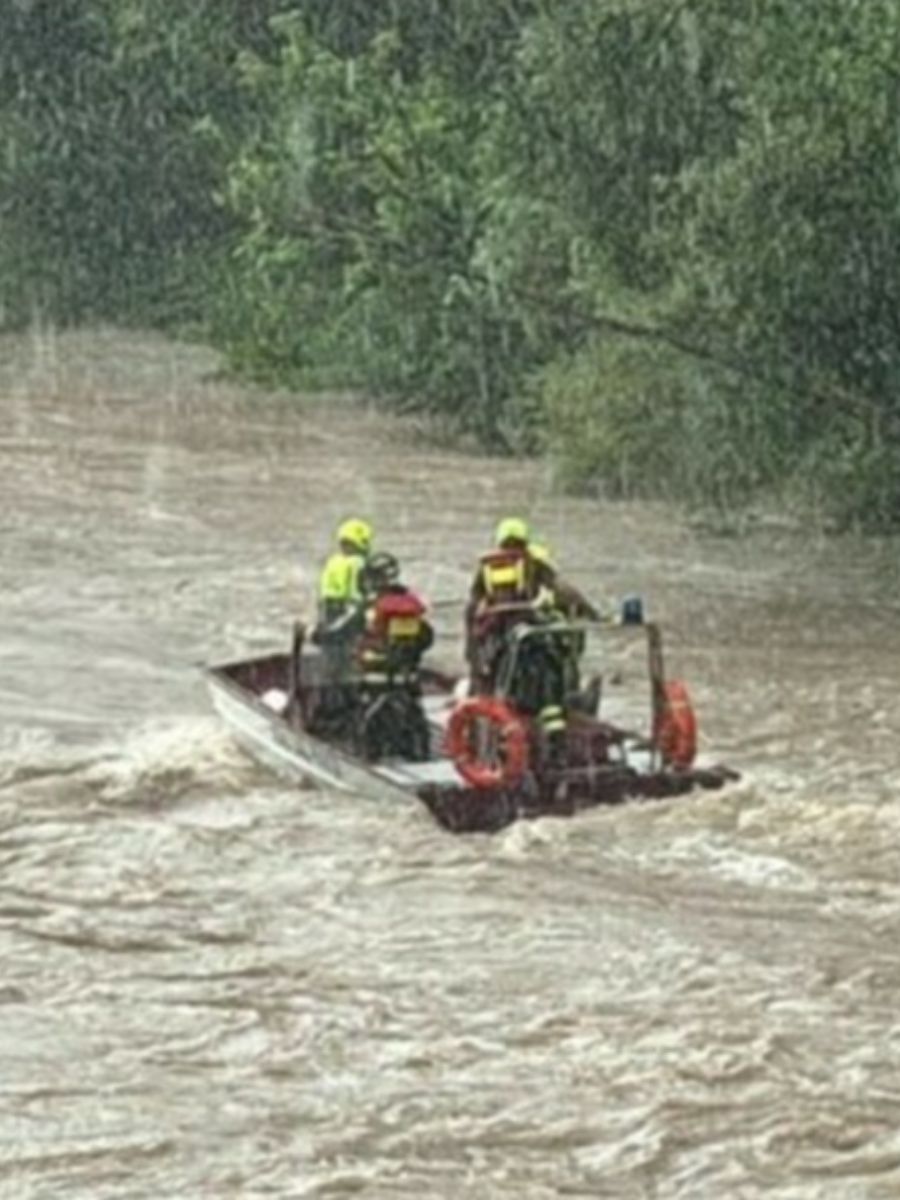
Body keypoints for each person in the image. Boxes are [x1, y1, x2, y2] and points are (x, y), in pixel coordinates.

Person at [464, 517, 600, 761]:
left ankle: (481, 742)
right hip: (530, 640)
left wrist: (472, 650)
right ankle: (557, 736)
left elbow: (472, 608)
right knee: (552, 679)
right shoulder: (532, 563)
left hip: (499, 645)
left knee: (488, 690)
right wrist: (593, 614)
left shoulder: (487, 568)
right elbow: (564, 591)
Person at [354, 551, 435, 761]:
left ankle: (368, 759)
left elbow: (340, 632)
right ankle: (418, 756)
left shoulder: (368, 610)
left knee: (364, 726)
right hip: (408, 684)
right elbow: (427, 639)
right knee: (416, 725)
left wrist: (313, 633)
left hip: (374, 685)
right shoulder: (410, 607)